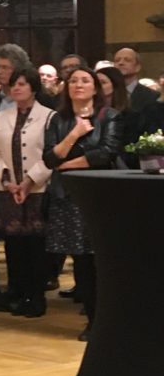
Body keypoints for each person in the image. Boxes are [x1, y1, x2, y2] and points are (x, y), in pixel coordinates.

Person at [43, 66, 123, 341]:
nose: (78, 84)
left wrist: (66, 164)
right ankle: (92, 320)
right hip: (67, 197)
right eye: (73, 81)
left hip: (98, 196)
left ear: (95, 88)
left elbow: (106, 153)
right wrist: (75, 134)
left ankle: (107, 320)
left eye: (85, 80)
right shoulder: (59, 119)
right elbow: (49, 158)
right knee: (81, 261)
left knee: (100, 260)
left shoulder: (109, 116)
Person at [0, 67, 55, 318]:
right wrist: (7, 180)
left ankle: (35, 296)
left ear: (34, 88)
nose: (16, 88)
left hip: (37, 188)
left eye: (23, 84)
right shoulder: (1, 117)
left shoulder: (49, 117)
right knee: (13, 243)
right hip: (8, 188)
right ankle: (16, 290)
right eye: (14, 84)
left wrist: (29, 181)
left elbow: (51, 154)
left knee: (35, 244)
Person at [112, 46, 158, 114]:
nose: (121, 63)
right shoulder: (106, 94)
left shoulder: (152, 96)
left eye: (127, 60)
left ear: (137, 67)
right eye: (117, 60)